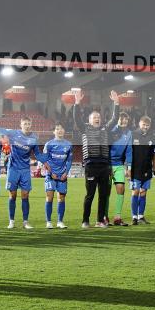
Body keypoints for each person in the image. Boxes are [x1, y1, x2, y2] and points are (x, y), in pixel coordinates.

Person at [73, 90, 120, 228]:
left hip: (104, 166)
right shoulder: (84, 128)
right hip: (91, 166)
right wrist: (77, 103)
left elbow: (115, 119)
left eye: (98, 117)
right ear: (89, 120)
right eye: (94, 117)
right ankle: (85, 221)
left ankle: (99, 221)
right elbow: (76, 118)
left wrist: (116, 103)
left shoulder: (106, 128)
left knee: (103, 195)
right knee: (90, 195)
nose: (97, 119)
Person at [0, 117, 48, 230]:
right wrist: (4, 141)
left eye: (29, 124)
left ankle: (25, 222)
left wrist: (46, 162)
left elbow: (37, 154)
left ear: (31, 125)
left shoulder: (34, 138)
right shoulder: (13, 133)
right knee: (12, 195)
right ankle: (11, 221)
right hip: (13, 168)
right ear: (21, 125)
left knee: (25, 195)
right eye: (25, 124)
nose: (27, 126)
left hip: (25, 169)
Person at [42, 122, 73, 229]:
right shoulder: (49, 144)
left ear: (64, 131)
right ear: (54, 131)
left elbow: (69, 160)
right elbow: (45, 160)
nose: (60, 131)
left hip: (62, 175)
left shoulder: (68, 144)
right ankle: (49, 222)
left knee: (61, 198)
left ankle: (60, 221)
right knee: (49, 197)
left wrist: (66, 172)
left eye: (61, 129)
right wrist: (51, 173)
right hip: (50, 175)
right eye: (57, 129)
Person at [129, 115, 155, 225]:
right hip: (135, 169)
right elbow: (128, 151)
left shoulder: (152, 137)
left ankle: (141, 216)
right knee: (135, 191)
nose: (145, 127)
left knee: (144, 192)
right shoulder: (132, 135)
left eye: (147, 125)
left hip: (147, 169)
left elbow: (154, 154)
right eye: (144, 124)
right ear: (139, 123)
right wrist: (128, 167)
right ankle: (134, 217)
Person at [108, 112, 133, 226]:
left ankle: (117, 217)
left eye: (126, 119)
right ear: (117, 120)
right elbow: (106, 147)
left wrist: (128, 168)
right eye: (121, 119)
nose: (124, 121)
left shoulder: (129, 133)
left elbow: (129, 150)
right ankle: (103, 217)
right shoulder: (111, 131)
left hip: (119, 164)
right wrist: (108, 165)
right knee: (106, 191)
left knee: (121, 189)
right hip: (108, 164)